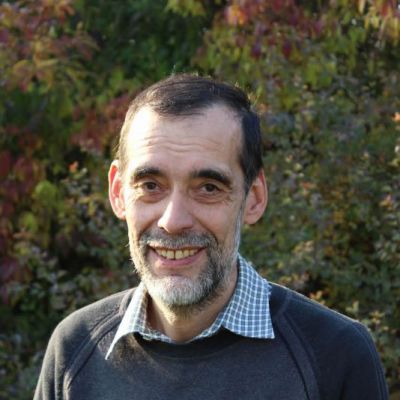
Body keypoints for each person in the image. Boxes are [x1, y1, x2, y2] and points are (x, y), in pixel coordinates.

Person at [34, 74, 388, 400]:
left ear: (254, 198)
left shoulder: (334, 354)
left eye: (208, 187)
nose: (173, 221)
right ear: (117, 192)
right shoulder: (75, 348)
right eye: (151, 185)